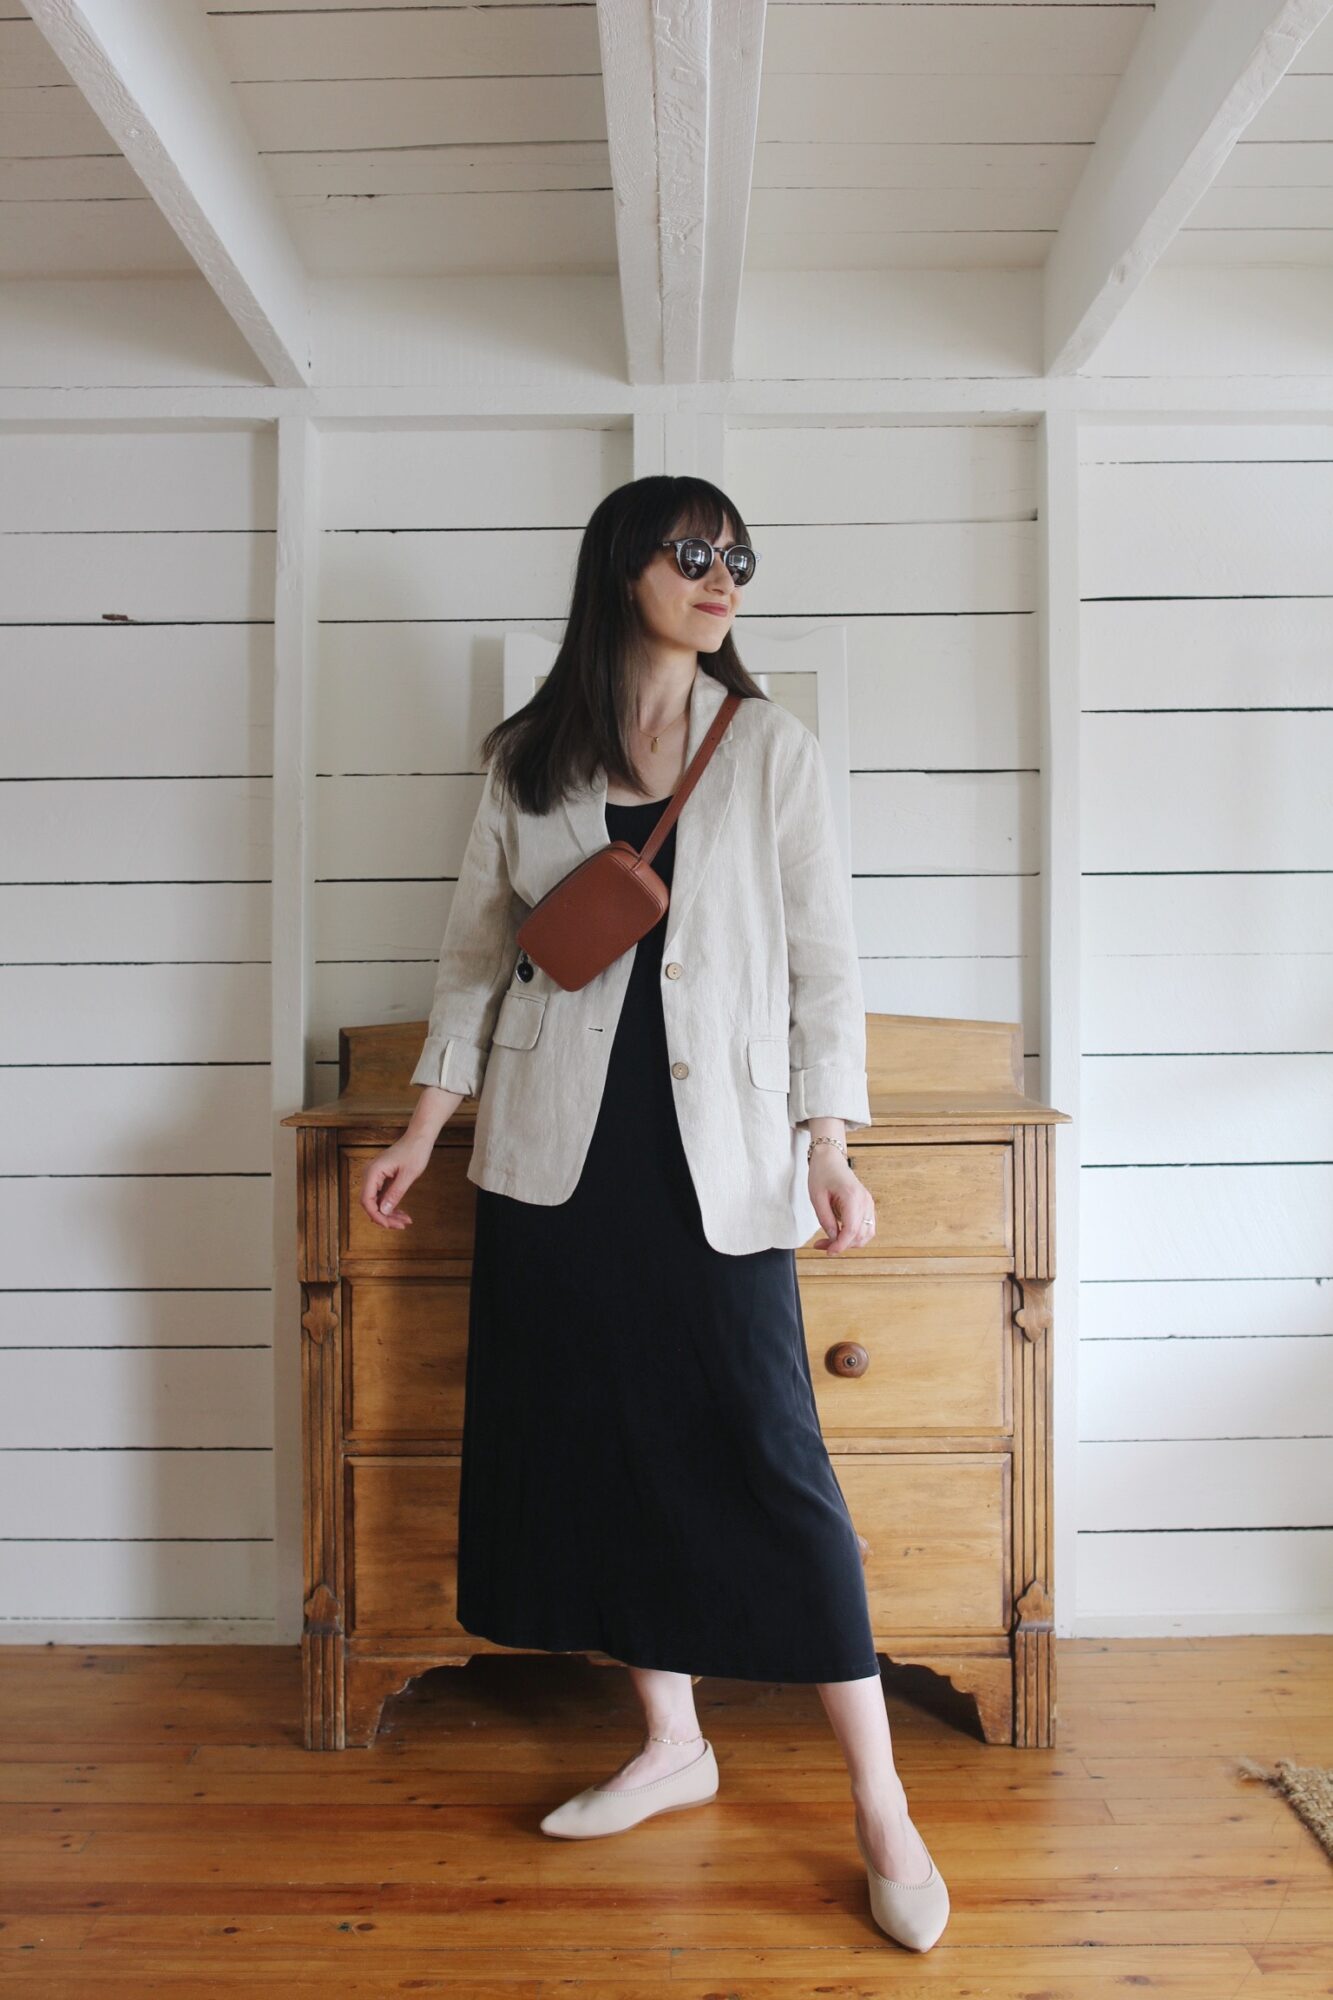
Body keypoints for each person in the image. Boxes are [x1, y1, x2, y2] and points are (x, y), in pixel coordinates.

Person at [358, 475, 949, 1951]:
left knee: (767, 1461)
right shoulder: (528, 763)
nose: (722, 576)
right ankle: (672, 1745)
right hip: (556, 1157)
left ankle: (880, 1806)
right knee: (607, 1448)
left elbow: (826, 964)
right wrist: (423, 1130)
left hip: (722, 1157)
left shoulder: (771, 751)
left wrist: (829, 1140)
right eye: (695, 552)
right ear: (625, 563)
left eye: (738, 556)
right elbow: (472, 966)